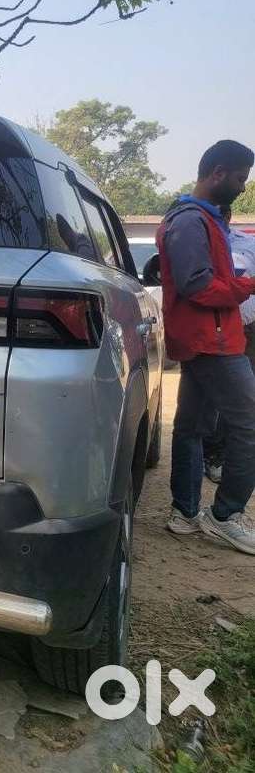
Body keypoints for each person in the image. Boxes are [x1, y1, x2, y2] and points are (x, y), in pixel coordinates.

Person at [157, 140, 255, 554]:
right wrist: (248, 285)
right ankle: (225, 515)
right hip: (211, 342)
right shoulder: (189, 221)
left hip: (207, 339)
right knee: (249, 426)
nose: (242, 187)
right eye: (239, 178)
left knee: (191, 428)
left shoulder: (203, 219)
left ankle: (184, 513)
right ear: (218, 172)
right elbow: (197, 284)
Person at [201, 205, 255, 482]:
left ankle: (222, 454)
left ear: (229, 217)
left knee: (243, 398)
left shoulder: (248, 243)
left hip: (248, 328)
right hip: (213, 327)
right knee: (213, 395)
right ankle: (210, 454)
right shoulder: (198, 243)